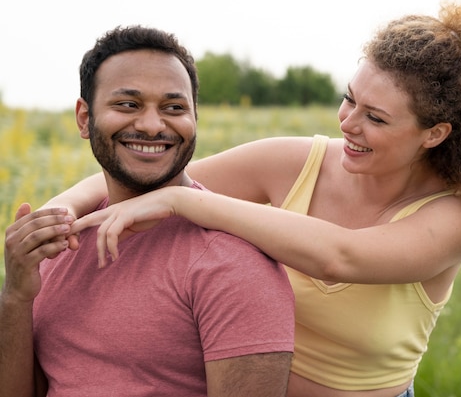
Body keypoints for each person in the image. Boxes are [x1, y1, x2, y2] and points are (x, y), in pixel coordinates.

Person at [44, 0, 461, 397]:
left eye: (376, 118)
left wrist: (186, 204)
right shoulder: (297, 160)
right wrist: (61, 209)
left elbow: (339, 256)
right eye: (349, 99)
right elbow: (151, 178)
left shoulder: (457, 215)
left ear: (435, 133)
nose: (348, 124)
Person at [0, 25, 295, 397]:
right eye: (128, 104)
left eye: (174, 108)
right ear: (83, 118)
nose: (153, 126)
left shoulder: (233, 265)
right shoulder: (59, 246)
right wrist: (15, 295)